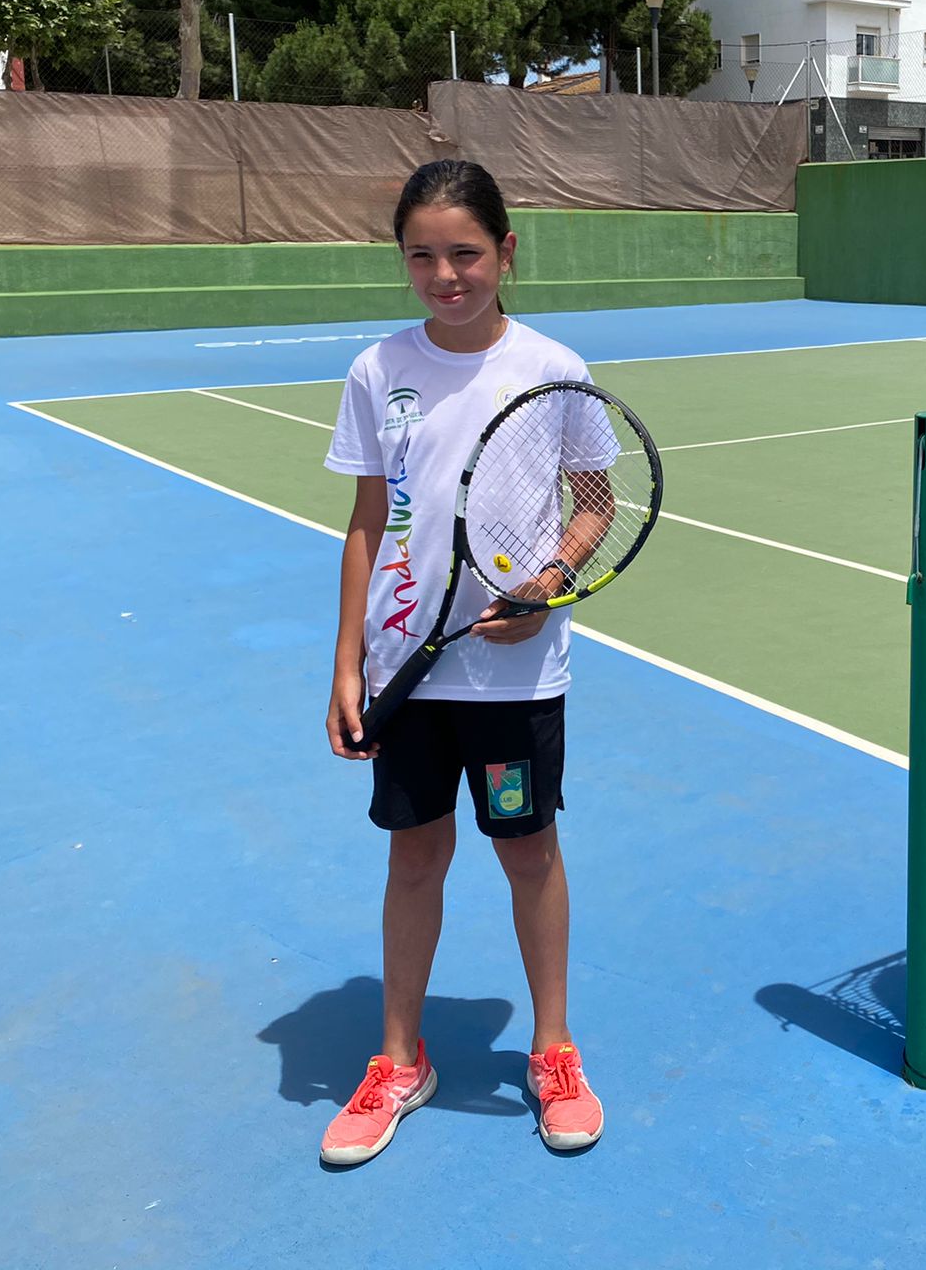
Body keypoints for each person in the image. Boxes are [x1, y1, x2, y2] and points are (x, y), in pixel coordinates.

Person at [318, 158, 604, 1163]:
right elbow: (365, 521)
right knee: (414, 858)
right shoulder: (376, 370)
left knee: (528, 854)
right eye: (422, 256)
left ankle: (553, 1050)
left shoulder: (554, 368)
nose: (445, 275)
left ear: (506, 252)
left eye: (466, 254)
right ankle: (400, 1059)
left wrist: (547, 584)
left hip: (515, 678)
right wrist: (346, 663)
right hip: (406, 668)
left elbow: (594, 507)